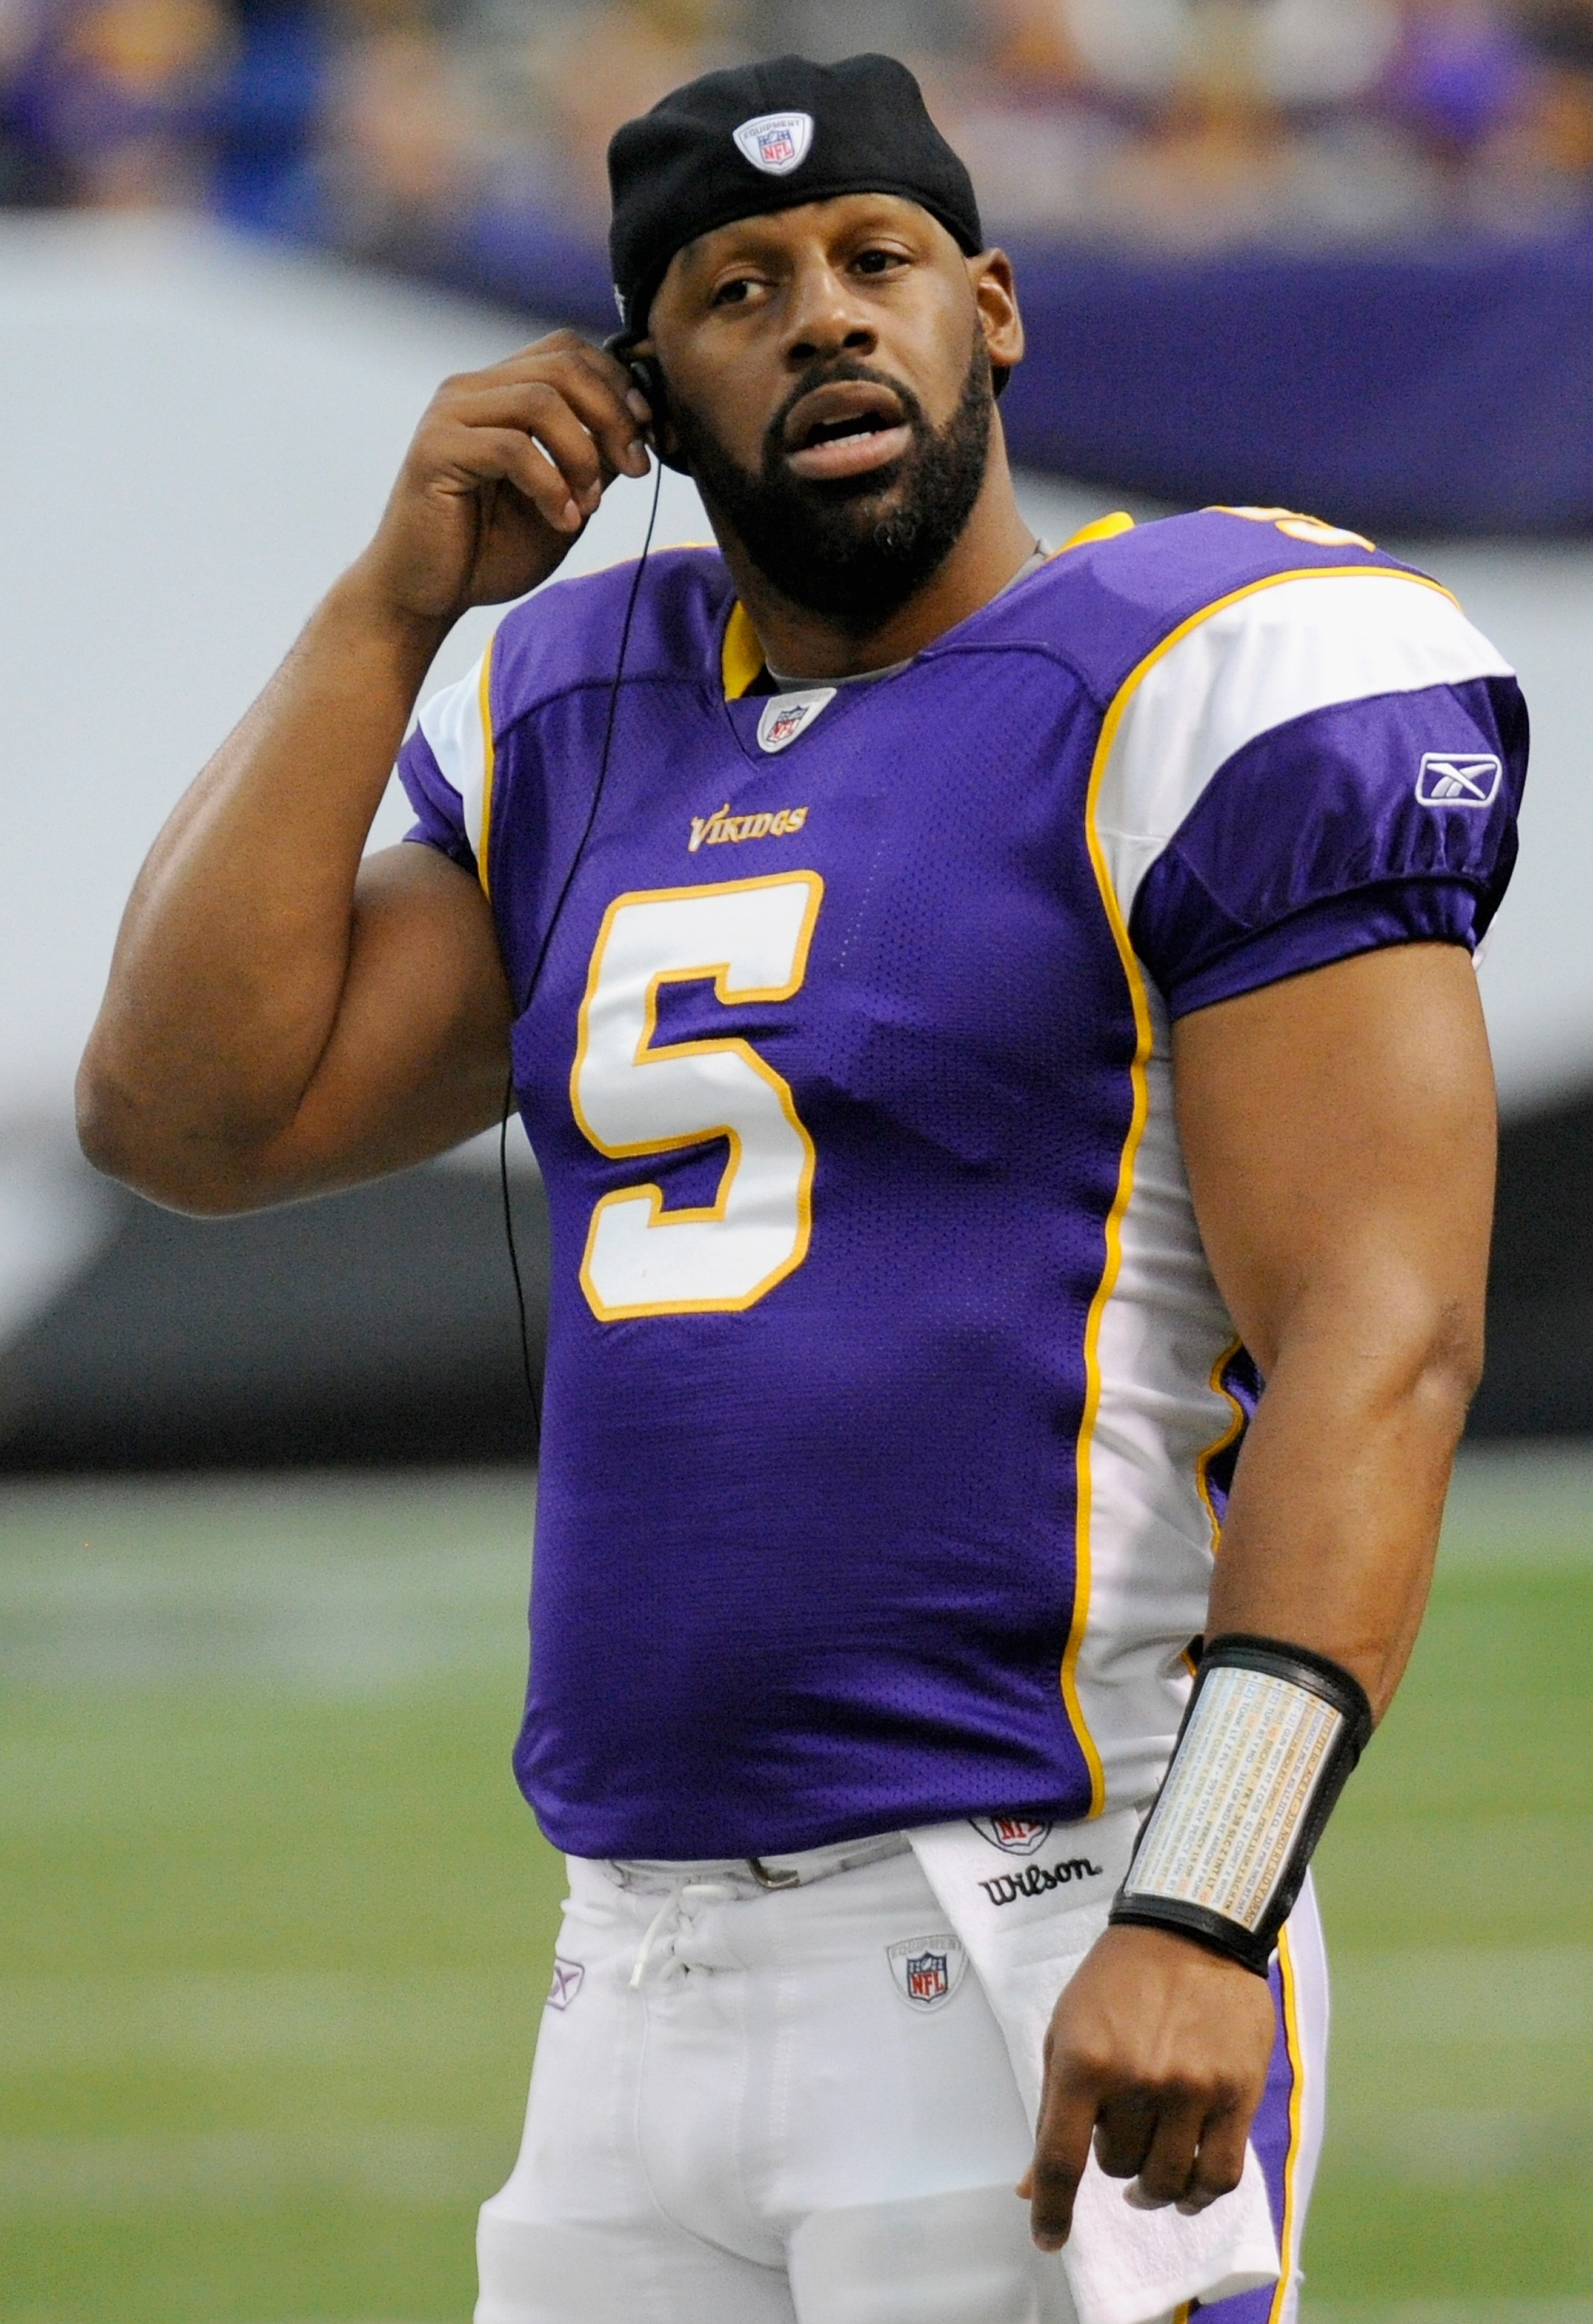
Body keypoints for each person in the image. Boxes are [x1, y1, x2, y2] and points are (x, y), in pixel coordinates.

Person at [77, 50, 1525, 2324]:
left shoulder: (1207, 667)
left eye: (876, 261)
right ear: (643, 393)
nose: (825, 317)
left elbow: (1384, 1325)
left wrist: (1207, 1901)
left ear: (995, 309)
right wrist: (386, 613)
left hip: (1042, 1895)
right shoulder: (578, 704)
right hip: (624, 1962)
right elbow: (188, 1116)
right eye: (738, 290)